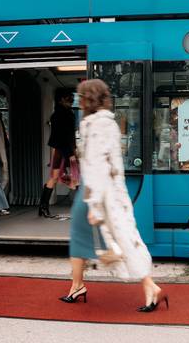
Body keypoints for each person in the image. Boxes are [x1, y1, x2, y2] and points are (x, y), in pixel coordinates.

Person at [60, 79, 167, 313]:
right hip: (100, 192)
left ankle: (150, 286)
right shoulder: (100, 123)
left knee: (122, 240)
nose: (77, 101)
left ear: (88, 99)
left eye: (80, 96)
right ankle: (77, 285)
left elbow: (99, 168)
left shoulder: (97, 125)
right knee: (103, 239)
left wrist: (95, 207)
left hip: (101, 195)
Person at [39, 89, 77, 218]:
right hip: (63, 150)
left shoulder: (58, 114)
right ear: (61, 99)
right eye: (69, 98)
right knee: (73, 177)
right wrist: (71, 153)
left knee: (56, 178)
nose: (71, 100)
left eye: (72, 97)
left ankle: (43, 207)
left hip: (61, 149)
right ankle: (78, 208)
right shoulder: (64, 114)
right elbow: (65, 136)